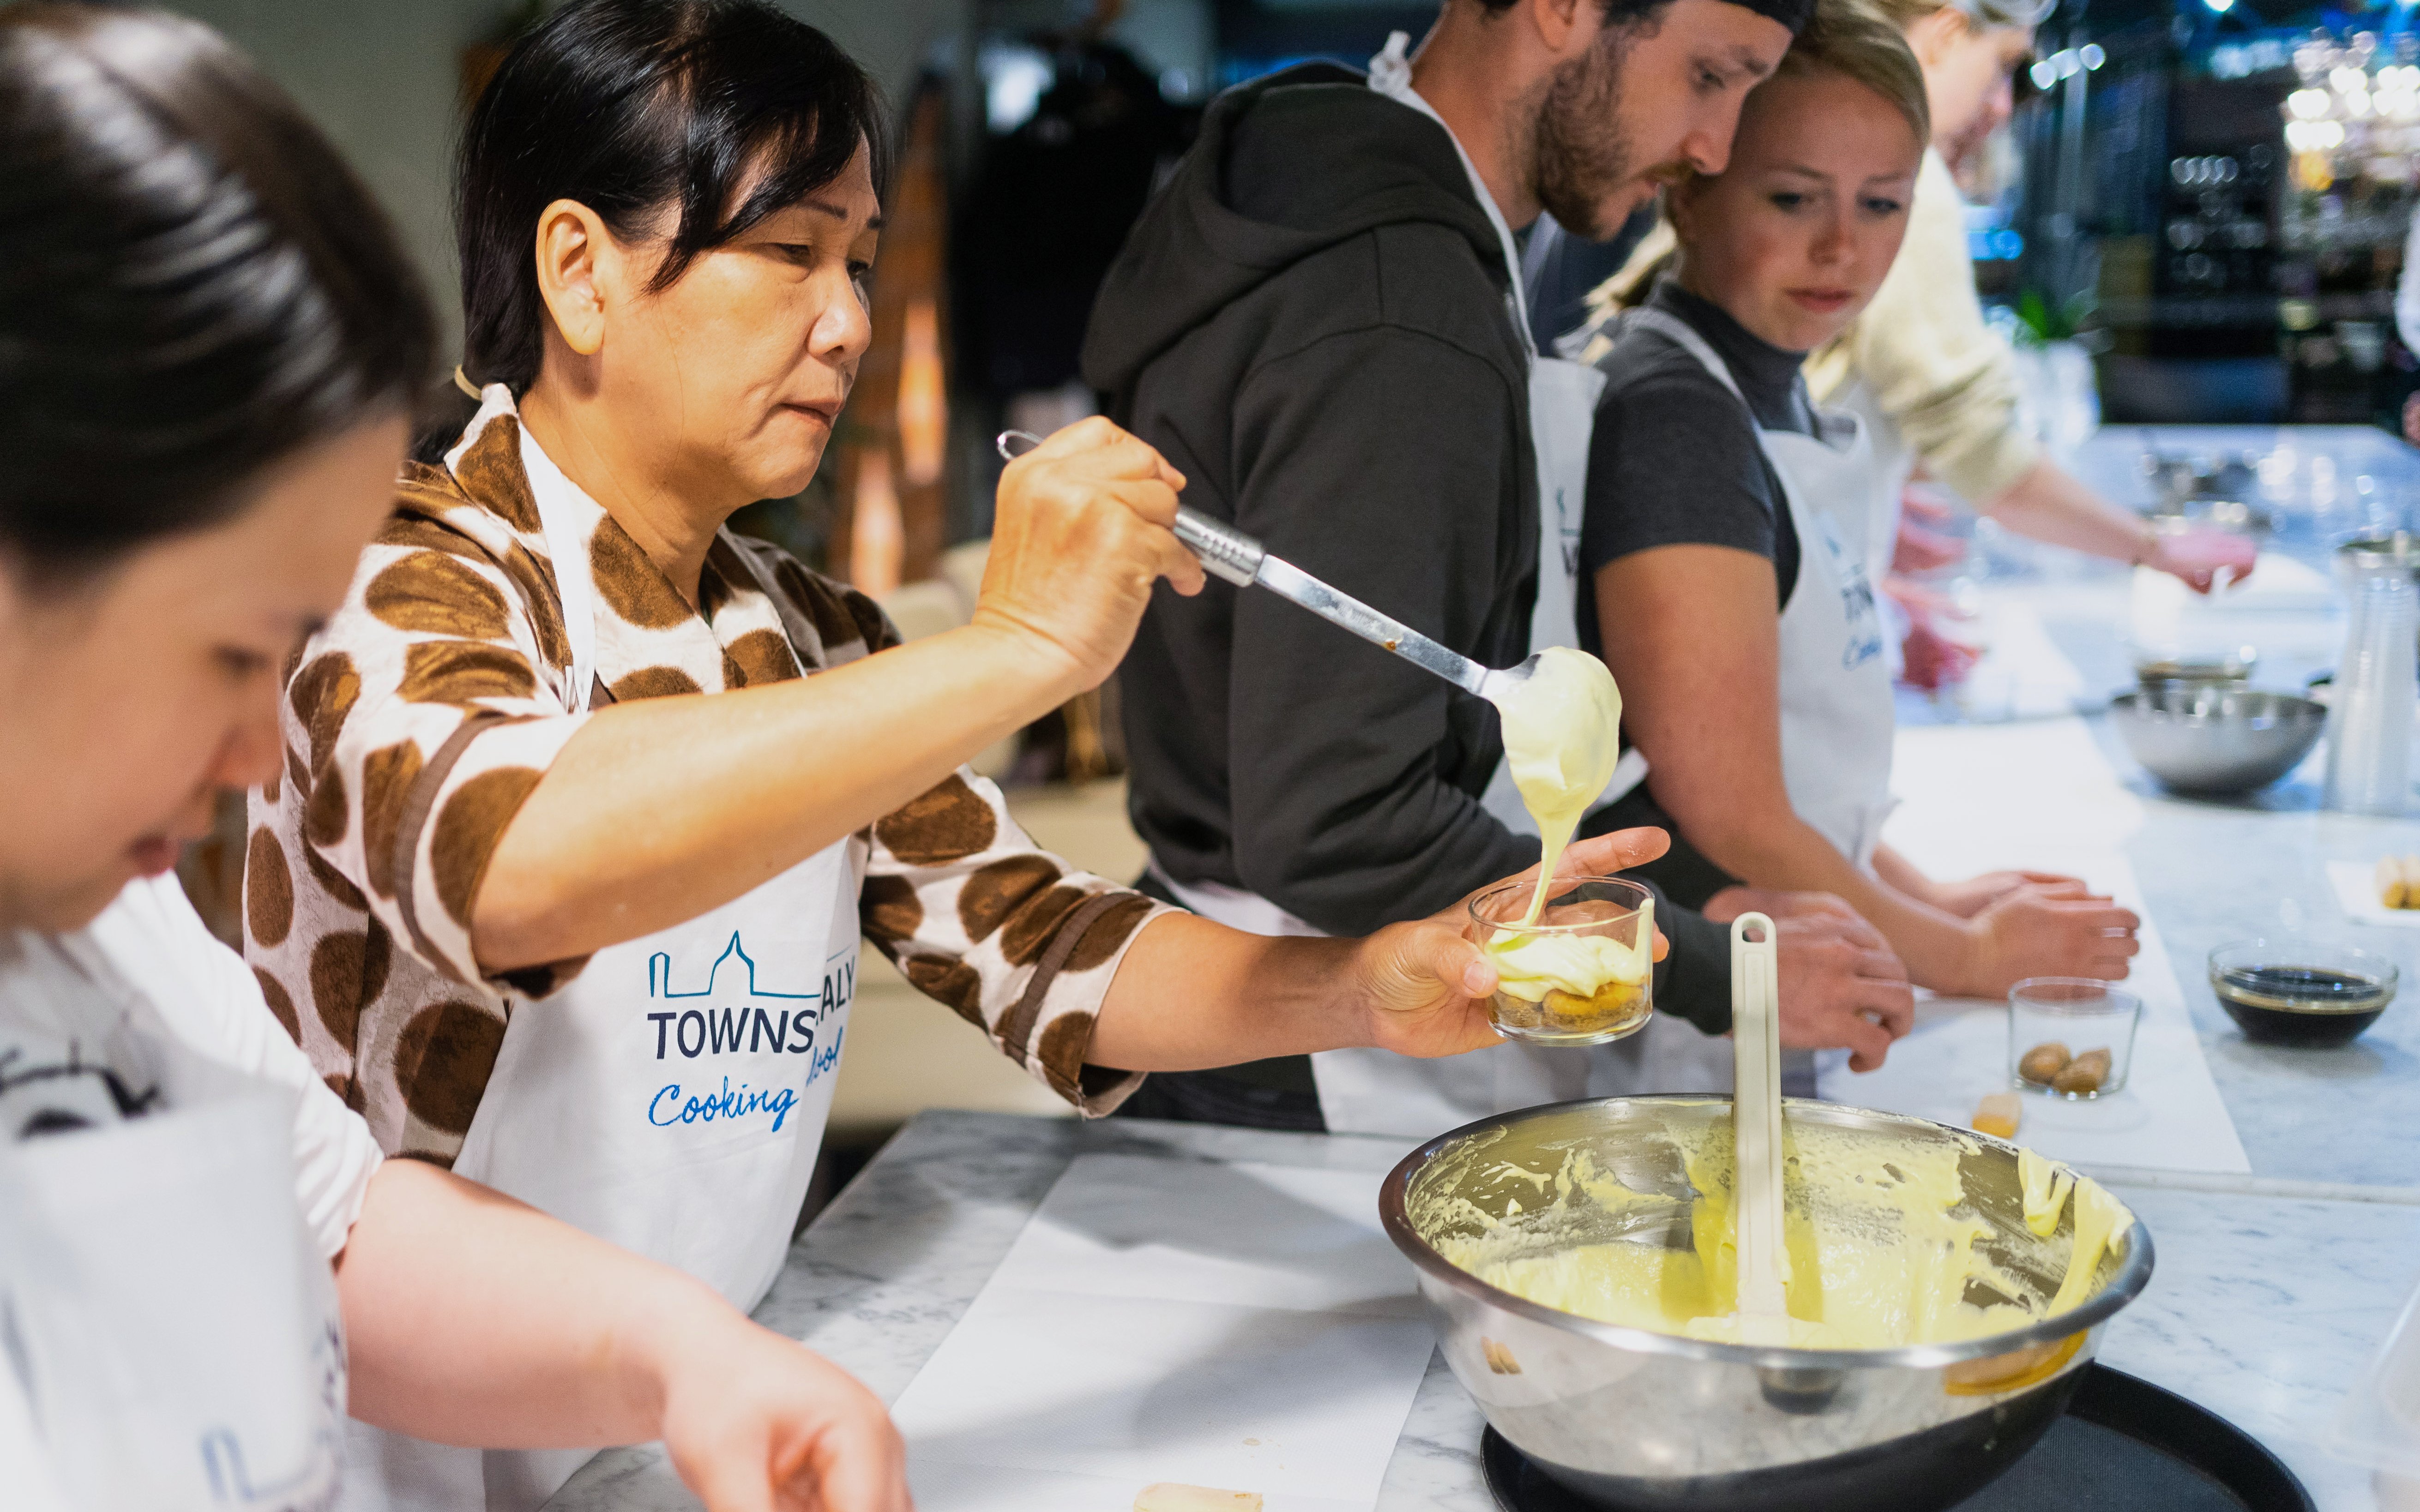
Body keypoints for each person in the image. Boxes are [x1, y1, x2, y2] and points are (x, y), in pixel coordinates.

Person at [241, 4, 1655, 1504]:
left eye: (855, 260)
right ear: (581, 269)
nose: (847, 319)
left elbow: (1035, 941)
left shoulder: (799, 622)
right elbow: (505, 856)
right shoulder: (401, 571)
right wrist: (1014, 650)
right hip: (380, 1455)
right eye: (788, 251)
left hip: (693, 1419)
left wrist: (1364, 986)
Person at [0, 6, 903, 1508]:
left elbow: (338, 1223)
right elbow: (515, 858)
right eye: (233, 654)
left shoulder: (108, 921)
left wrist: (682, 1354)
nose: (249, 756)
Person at [1085, 0, 1920, 1137]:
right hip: (1314, 1047)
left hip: (1278, 996)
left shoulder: (1384, 202)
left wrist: (1687, 904)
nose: (1714, 148)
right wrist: (1703, 966)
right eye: (1710, 76)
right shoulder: (1394, 313)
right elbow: (1342, 817)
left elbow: (1431, 716)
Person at [1572, 0, 2140, 1008]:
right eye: (1793, 199)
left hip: (1801, 924)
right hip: (1704, 986)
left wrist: (1931, 898)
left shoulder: (1776, 380)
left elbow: (1797, 761)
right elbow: (1731, 810)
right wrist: (1960, 955)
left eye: (1881, 204)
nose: (1842, 247)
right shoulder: (1675, 412)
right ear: (1688, 192)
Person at [1576, 0, 2254, 675]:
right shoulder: (1909, 182)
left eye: (1878, 205)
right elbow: (1978, 451)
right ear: (1945, 33)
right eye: (2000, 70)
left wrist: (1863, 595)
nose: (1998, 109)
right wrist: (2157, 548)